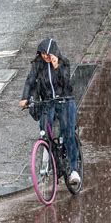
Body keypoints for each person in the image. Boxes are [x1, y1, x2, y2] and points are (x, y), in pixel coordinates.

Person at [19, 38, 80, 184]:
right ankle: (56, 164)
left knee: (68, 133)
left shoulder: (63, 62)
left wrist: (57, 66)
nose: (46, 56)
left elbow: (66, 83)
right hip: (47, 102)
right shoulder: (37, 64)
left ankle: (73, 170)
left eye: (48, 54)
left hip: (65, 101)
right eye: (43, 54)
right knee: (45, 133)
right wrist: (25, 97)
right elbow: (30, 81)